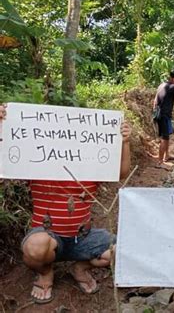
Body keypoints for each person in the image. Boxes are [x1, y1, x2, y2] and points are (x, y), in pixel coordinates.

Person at [0, 103, 132, 304]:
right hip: (48, 237)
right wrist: (3, 127)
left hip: (82, 238)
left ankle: (79, 268)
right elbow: (6, 162)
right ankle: (45, 273)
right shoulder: (36, 166)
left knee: (123, 249)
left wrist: (124, 142)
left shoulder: (92, 170)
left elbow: (121, 172)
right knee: (36, 246)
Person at [153, 69, 174, 167]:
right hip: (164, 115)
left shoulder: (161, 85)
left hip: (160, 114)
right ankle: (159, 162)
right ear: (171, 78)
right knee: (164, 137)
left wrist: (155, 110)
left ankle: (166, 156)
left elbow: (155, 100)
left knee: (166, 136)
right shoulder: (173, 87)